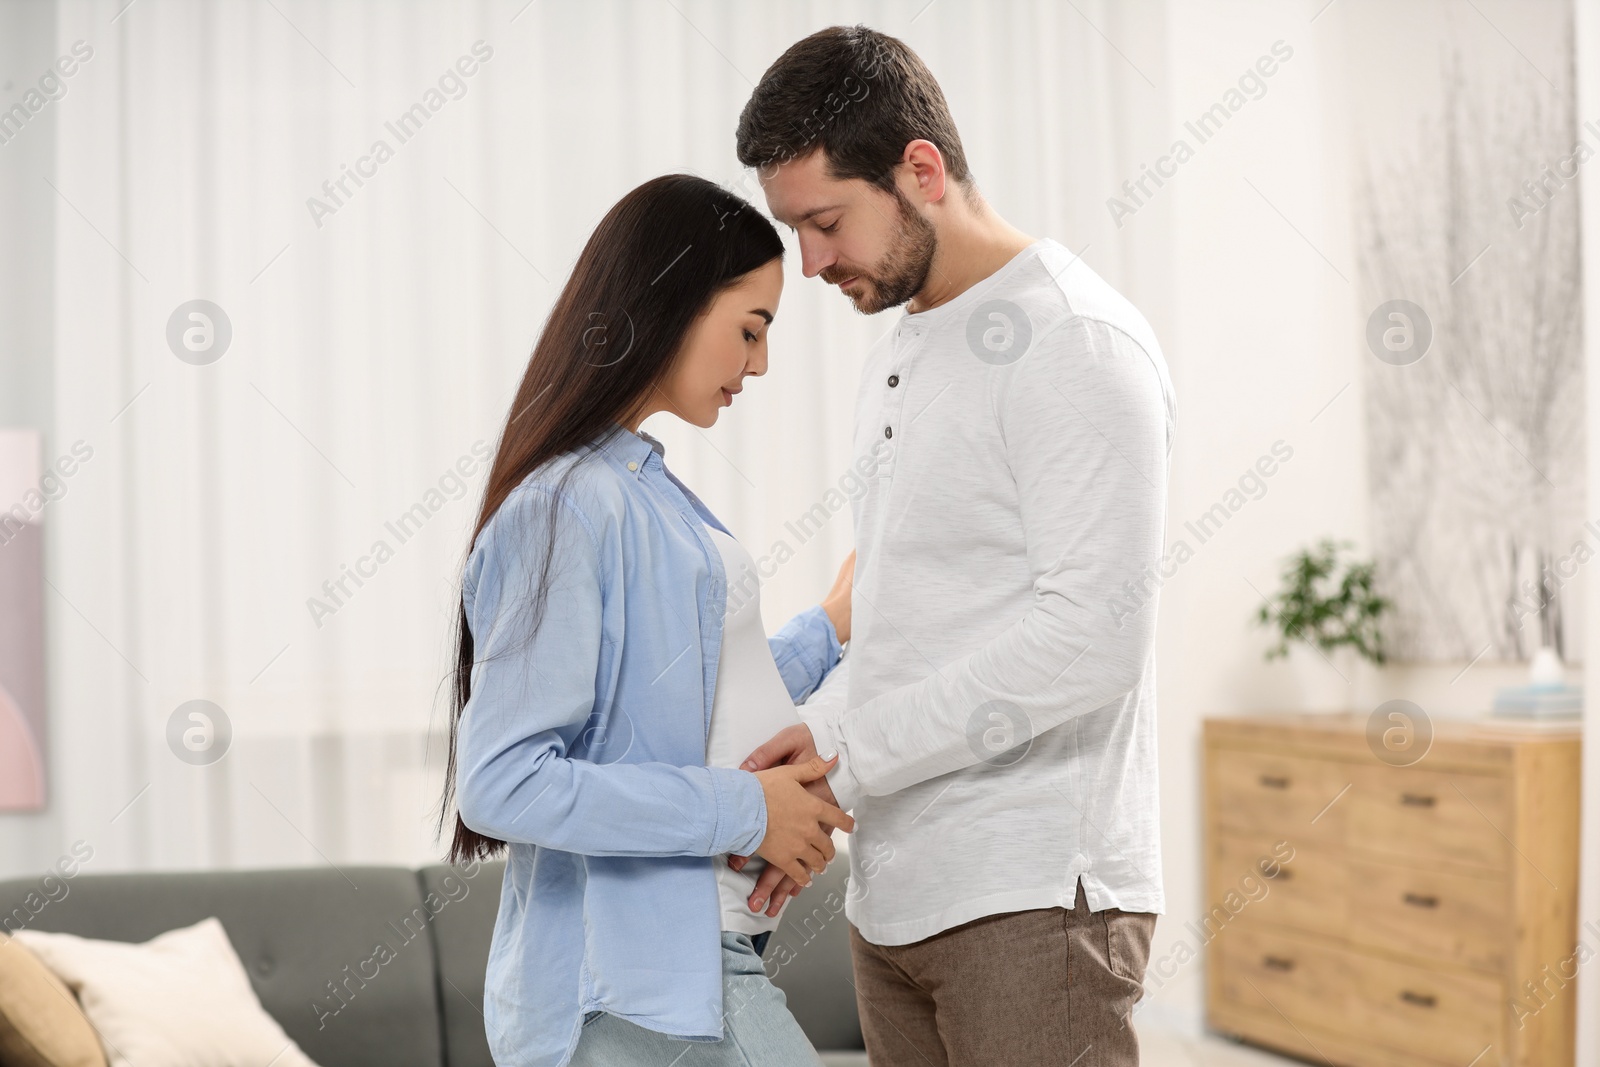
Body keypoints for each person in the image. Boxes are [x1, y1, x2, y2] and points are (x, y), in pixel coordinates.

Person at [728, 25, 1178, 1067]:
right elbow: (903, 619)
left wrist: (852, 756)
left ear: (920, 170)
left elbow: (1090, 639)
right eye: (795, 229)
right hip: (895, 896)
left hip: (1030, 897)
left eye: (826, 221)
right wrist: (818, 742)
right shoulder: (900, 353)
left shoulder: (1074, 342)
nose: (812, 261)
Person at [437, 173, 855, 1067]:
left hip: (694, 964)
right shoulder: (568, 506)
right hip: (623, 992)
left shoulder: (643, 490)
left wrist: (830, 624)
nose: (761, 364)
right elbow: (504, 781)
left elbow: (689, 698)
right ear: (670, 299)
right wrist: (746, 809)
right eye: (750, 328)